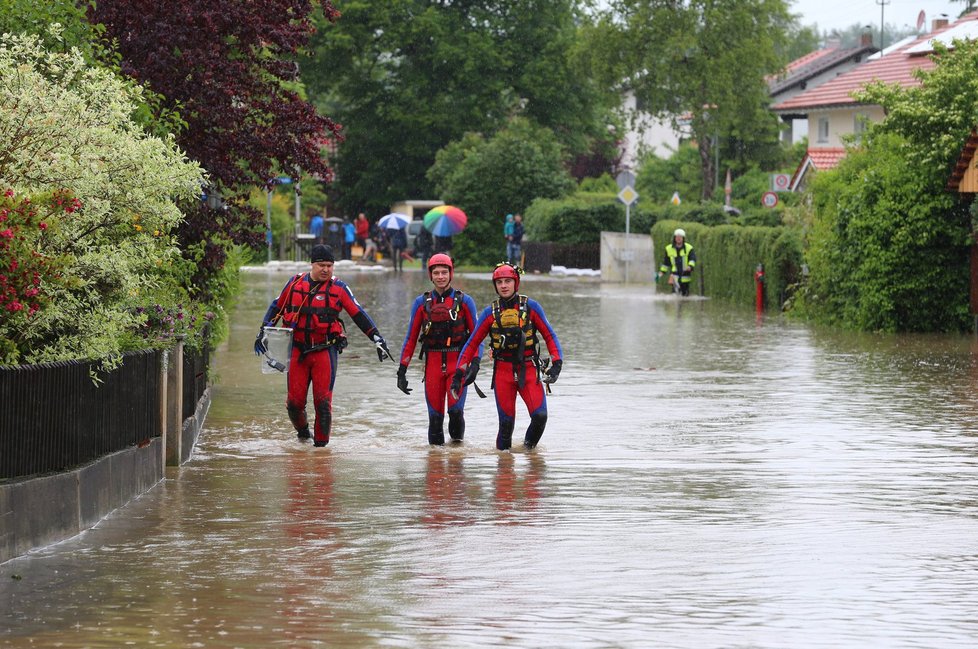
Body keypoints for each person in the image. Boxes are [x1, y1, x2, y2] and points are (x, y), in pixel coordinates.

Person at [254, 244, 393, 447]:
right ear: (312, 264)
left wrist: (377, 338)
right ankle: (303, 434)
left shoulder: (339, 288)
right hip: (297, 350)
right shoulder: (294, 283)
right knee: (294, 404)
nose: (326, 269)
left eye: (330, 265)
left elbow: (358, 314)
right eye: (321, 265)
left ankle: (321, 452)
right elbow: (277, 306)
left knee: (323, 403)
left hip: (325, 351)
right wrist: (263, 332)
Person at [451, 262, 563, 451]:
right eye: (499, 282)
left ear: (515, 282)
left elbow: (550, 335)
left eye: (508, 281)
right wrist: (460, 373)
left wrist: (557, 364)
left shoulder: (532, 307)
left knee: (540, 417)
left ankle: (529, 453)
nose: (503, 285)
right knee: (506, 425)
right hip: (502, 372)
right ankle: (504, 471)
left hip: (528, 369)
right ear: (495, 285)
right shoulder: (489, 313)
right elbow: (471, 343)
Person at [397, 254, 482, 445]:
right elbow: (410, 339)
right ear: (431, 275)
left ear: (451, 274)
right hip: (433, 366)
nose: (441, 276)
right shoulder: (421, 303)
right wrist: (402, 370)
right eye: (436, 273)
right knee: (435, 418)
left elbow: (477, 338)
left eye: (444, 272)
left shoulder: (465, 301)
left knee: (455, 412)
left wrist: (474, 364)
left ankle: (456, 461)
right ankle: (434, 469)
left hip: (457, 365)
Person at [658, 227, 697, 296]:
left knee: (685, 296)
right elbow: (666, 263)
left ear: (683, 238)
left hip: (685, 276)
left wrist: (690, 266)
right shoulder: (668, 248)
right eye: (677, 237)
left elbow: (692, 259)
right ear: (674, 238)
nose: (678, 238)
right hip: (674, 276)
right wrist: (661, 272)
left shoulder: (689, 248)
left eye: (680, 237)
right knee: (675, 296)